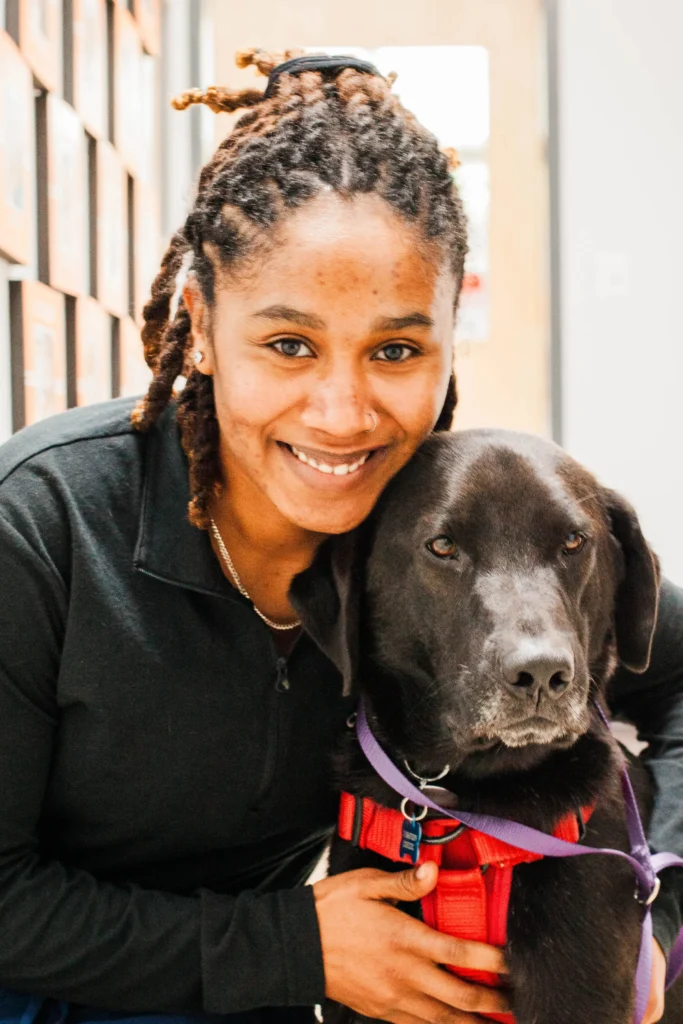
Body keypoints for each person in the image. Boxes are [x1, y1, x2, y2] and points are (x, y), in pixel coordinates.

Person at [0, 49, 680, 1024]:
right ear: (200, 325)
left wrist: (657, 902)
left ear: (448, 339)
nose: (342, 411)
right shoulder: (38, 526)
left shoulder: (446, 514)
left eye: (395, 349)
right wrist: (295, 947)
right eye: (288, 345)